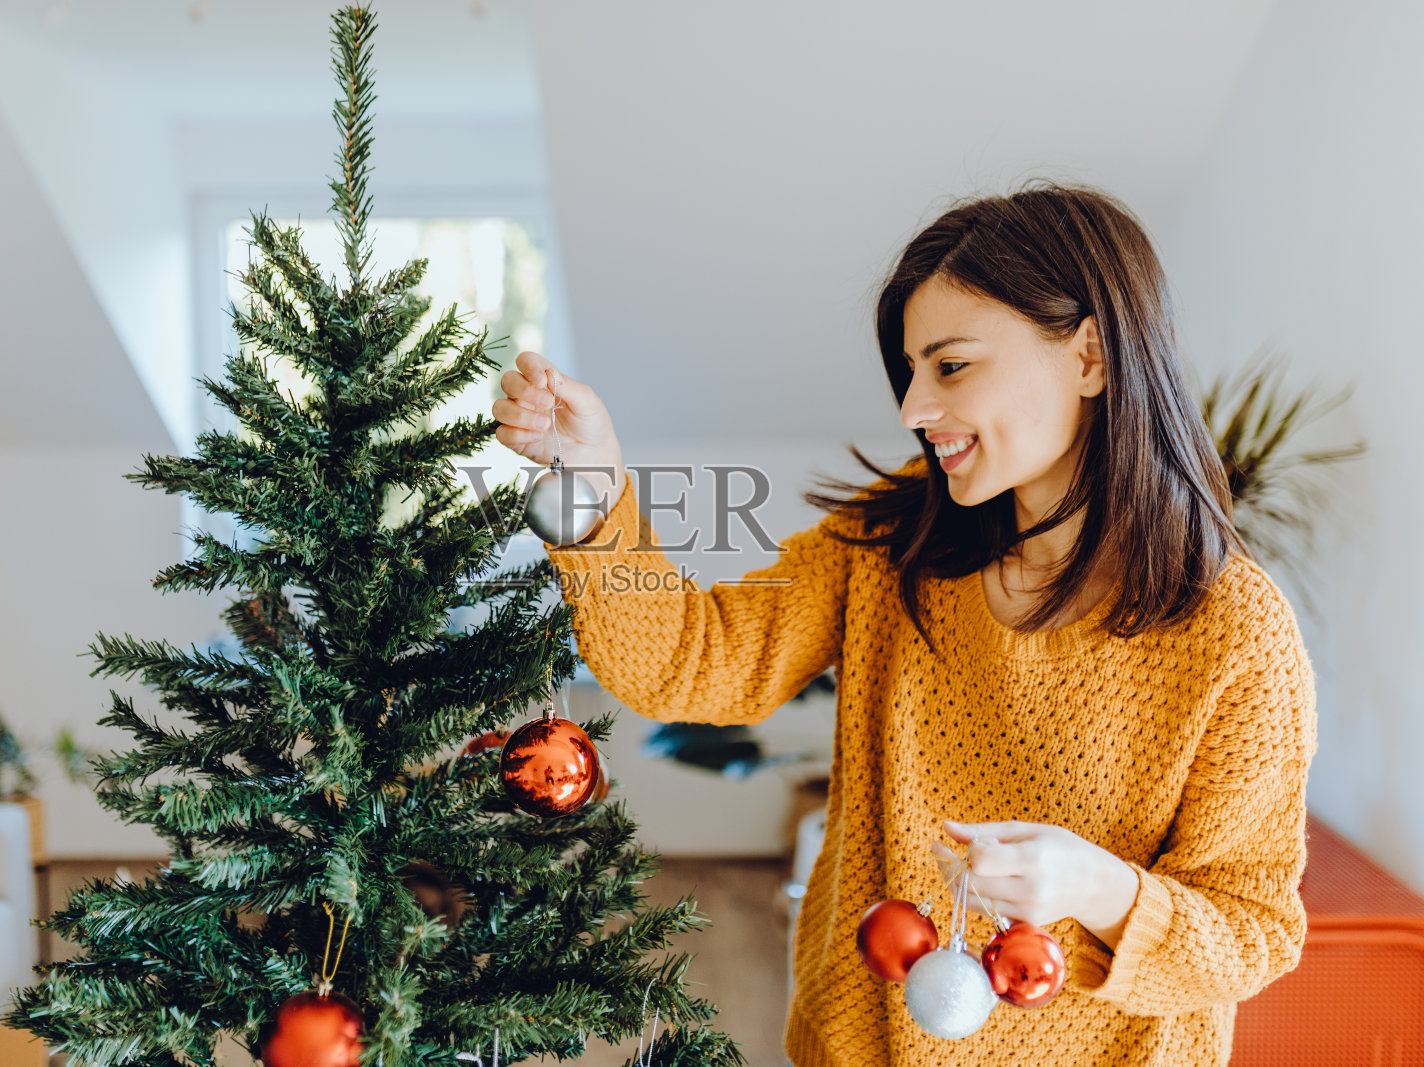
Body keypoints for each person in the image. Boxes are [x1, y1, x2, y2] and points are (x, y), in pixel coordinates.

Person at [490, 179, 1317, 1067]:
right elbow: (690, 664)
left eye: (951, 365)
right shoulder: (891, 541)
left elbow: (1254, 931)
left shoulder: (1235, 632)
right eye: (912, 369)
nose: (914, 408)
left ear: (1090, 357)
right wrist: (592, 485)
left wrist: (1101, 888)